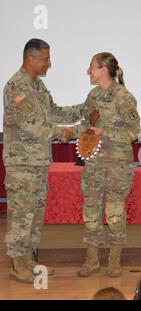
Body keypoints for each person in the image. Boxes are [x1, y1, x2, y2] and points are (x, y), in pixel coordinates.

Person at [3, 38, 83, 283]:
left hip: (37, 163)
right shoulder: (18, 87)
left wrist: (84, 109)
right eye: (46, 58)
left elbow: (55, 111)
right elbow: (33, 126)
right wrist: (64, 133)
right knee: (21, 216)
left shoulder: (36, 86)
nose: (49, 63)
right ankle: (18, 265)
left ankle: (30, 261)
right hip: (22, 165)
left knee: (35, 216)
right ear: (31, 58)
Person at [70, 52, 141, 278]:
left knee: (114, 213)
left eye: (91, 67)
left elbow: (133, 131)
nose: (88, 71)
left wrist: (105, 132)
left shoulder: (123, 97)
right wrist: (67, 132)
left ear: (104, 69)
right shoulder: (93, 96)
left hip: (116, 167)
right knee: (90, 211)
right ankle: (92, 260)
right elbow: (86, 125)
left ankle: (114, 261)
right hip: (93, 165)